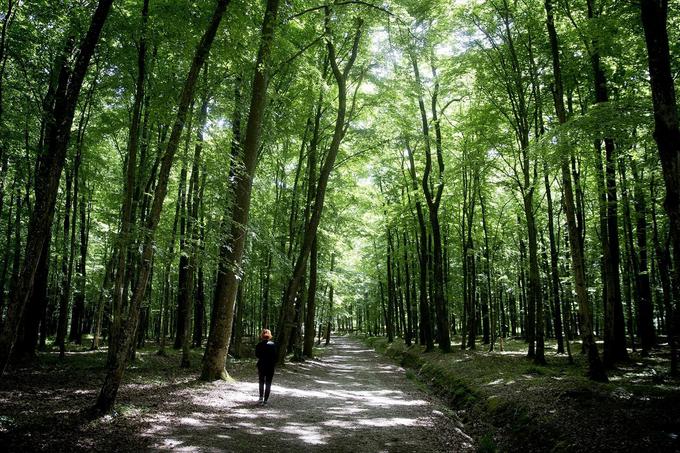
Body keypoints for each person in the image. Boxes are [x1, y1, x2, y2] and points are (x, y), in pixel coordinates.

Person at [255, 329, 277, 405]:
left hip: (261, 365)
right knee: (268, 383)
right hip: (270, 366)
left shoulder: (259, 345)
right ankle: (265, 401)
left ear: (262, 336)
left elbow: (257, 355)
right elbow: (275, 356)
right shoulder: (273, 345)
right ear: (269, 336)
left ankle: (261, 397)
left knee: (261, 381)